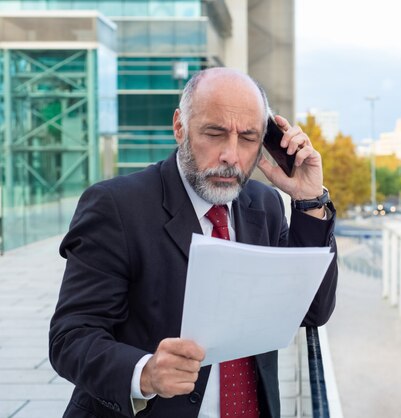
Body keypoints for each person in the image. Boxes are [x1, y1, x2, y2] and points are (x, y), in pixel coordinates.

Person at [48, 67, 338, 418]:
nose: (231, 154)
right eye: (215, 133)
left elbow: (311, 311)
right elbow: (71, 337)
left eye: (248, 138)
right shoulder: (116, 207)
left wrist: (309, 201)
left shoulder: (265, 204)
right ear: (179, 126)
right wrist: (145, 372)